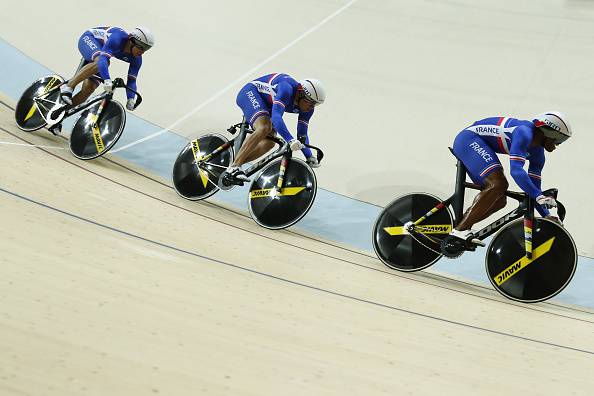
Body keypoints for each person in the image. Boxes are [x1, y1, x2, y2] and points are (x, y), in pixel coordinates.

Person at [449, 111, 572, 246]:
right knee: (498, 185)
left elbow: (534, 190)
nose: (558, 144)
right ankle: (461, 229)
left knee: (499, 200)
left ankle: (461, 225)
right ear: (549, 132)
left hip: (480, 143)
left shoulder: (538, 155)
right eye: (559, 139)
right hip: (469, 140)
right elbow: (516, 171)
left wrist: (546, 215)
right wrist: (539, 196)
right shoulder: (524, 133)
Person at [218, 73, 325, 189]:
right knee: (264, 127)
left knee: (269, 142)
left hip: (267, 104)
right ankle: (234, 167)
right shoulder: (286, 89)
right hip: (251, 93)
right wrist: (289, 139)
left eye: (316, 104)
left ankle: (234, 164)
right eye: (310, 102)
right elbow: (276, 117)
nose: (312, 107)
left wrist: (309, 156)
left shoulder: (308, 109)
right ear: (300, 93)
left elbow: (302, 133)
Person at [51, 26, 154, 134]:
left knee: (89, 89)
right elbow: (103, 60)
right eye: (141, 47)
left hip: (100, 53)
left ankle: (59, 117)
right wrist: (107, 80)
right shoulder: (118, 38)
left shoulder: (137, 59)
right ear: (132, 41)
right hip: (90, 39)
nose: (143, 52)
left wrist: (130, 99)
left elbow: (132, 81)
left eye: (146, 49)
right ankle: (68, 87)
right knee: (101, 60)